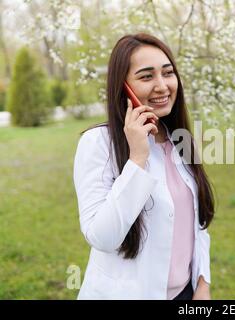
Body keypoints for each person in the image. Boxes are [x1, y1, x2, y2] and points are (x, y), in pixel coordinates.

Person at [73, 33, 215, 300]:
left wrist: (203, 282)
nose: (162, 86)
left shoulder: (179, 139)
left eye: (168, 73)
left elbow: (196, 222)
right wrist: (137, 159)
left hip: (186, 294)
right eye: (147, 76)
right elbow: (102, 237)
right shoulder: (98, 143)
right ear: (124, 87)